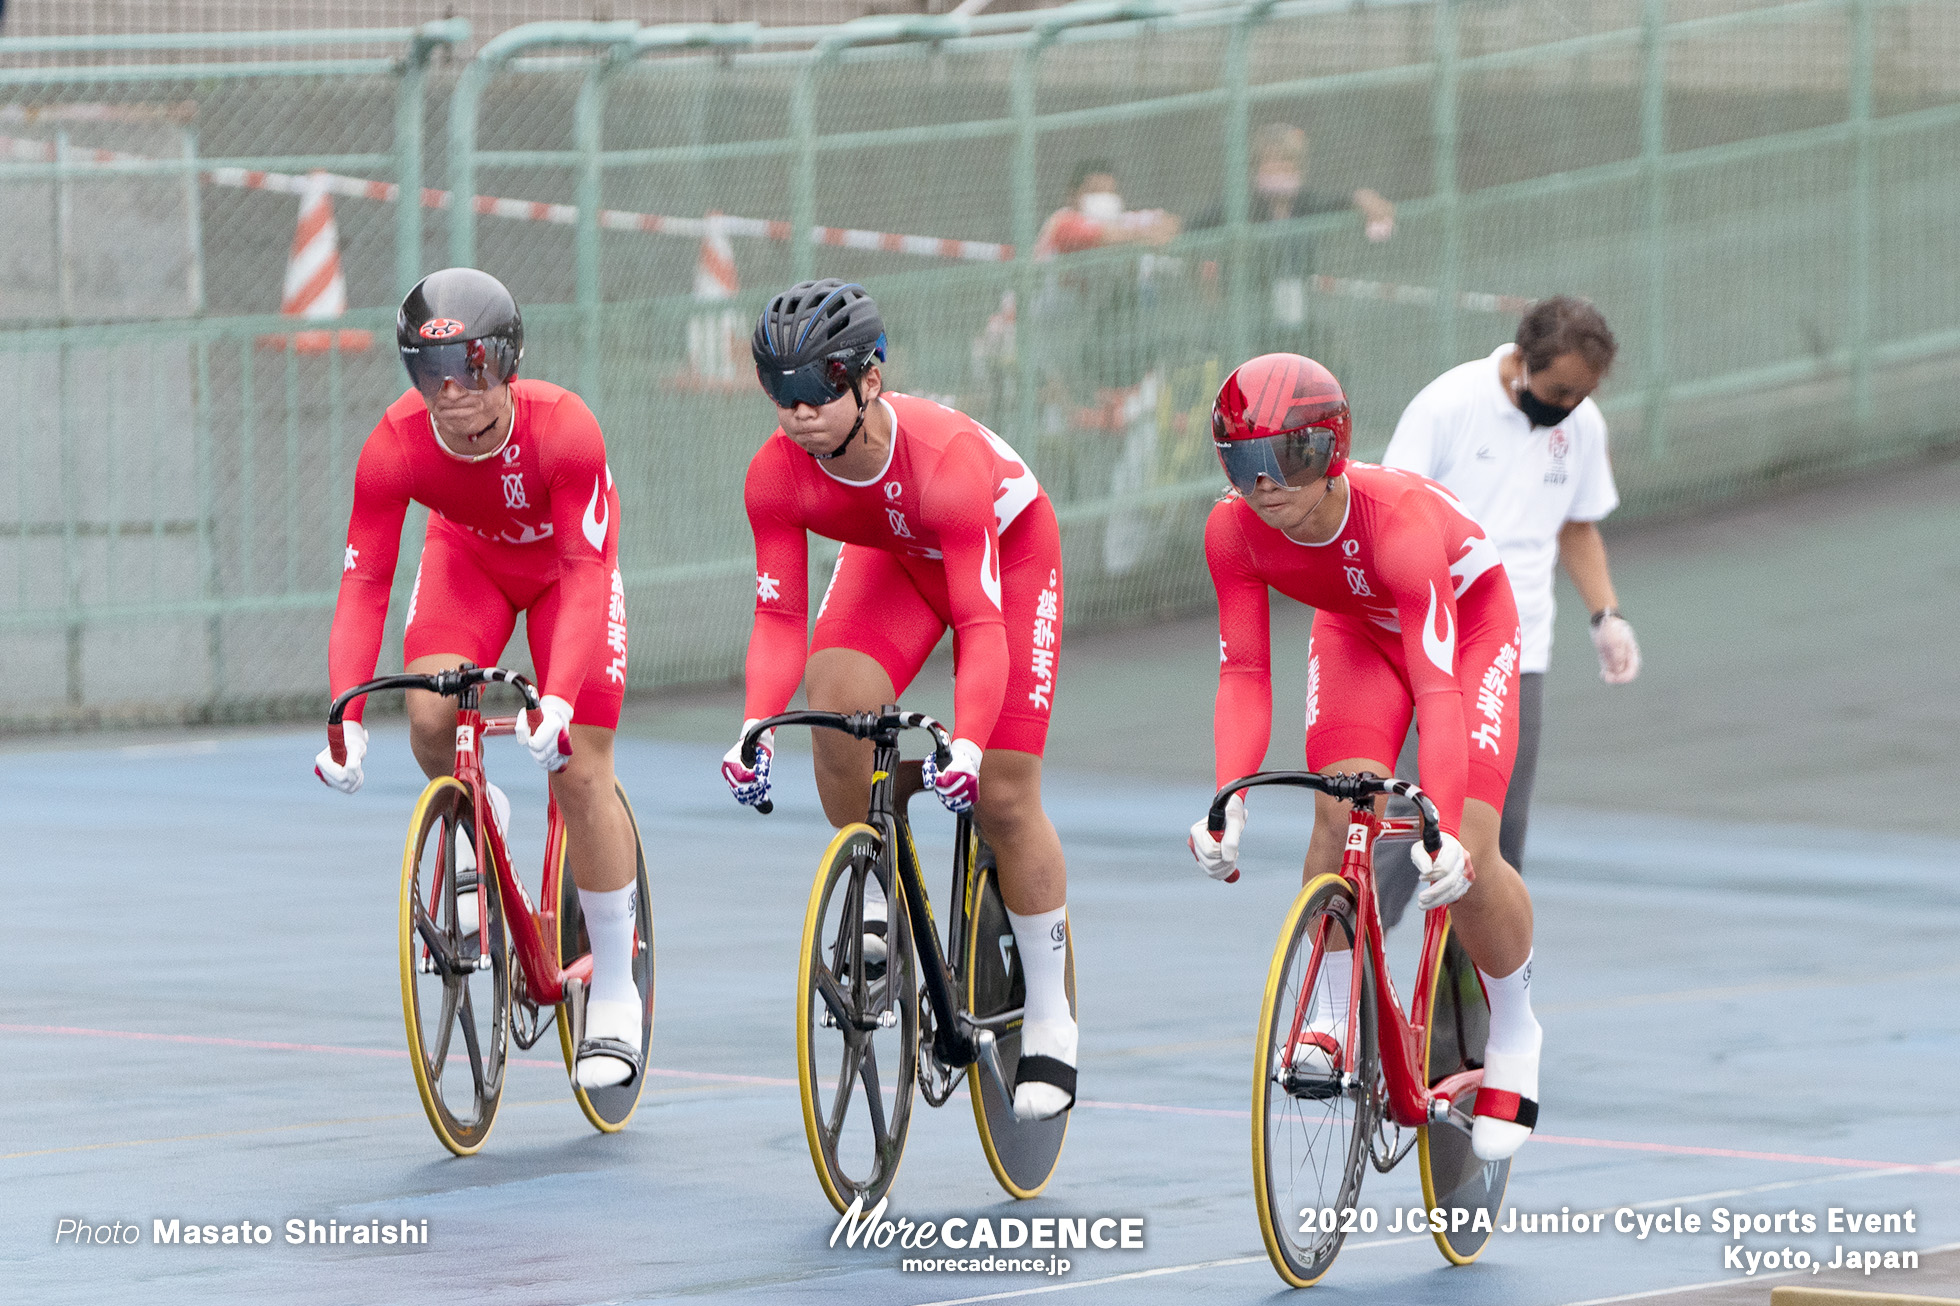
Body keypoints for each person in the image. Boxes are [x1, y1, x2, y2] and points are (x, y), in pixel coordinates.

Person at [720, 279, 1076, 1123]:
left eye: (815, 391)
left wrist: (970, 745)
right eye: (780, 393)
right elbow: (778, 616)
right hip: (894, 558)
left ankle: (1054, 1018)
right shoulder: (774, 473)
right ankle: (878, 889)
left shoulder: (947, 461)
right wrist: (752, 726)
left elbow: (983, 628)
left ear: (868, 381)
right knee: (833, 708)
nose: (797, 414)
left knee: (1004, 791)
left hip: (1005, 565)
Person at [1186, 353, 1541, 1162]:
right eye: (1245, 463)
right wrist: (1226, 798)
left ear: (1331, 452)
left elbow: (1440, 694)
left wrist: (1444, 829)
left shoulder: (1401, 525)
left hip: (1465, 632)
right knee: (1338, 808)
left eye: (1289, 458)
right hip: (1354, 627)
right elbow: (1242, 671)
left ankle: (1517, 1032)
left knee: (1473, 852)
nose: (1266, 484)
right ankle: (1333, 1016)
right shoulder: (1232, 530)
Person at [313, 267, 645, 1092]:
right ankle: (477, 805)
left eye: (472, 367)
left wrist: (559, 694)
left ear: (508, 362)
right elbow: (364, 585)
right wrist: (343, 713)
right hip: (469, 562)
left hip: (570, 576)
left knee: (580, 767)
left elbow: (586, 570)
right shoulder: (395, 445)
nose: (452, 391)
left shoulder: (564, 429)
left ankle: (615, 984)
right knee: (430, 719)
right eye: (430, 373)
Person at [1383, 296, 1639, 875]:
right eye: (1560, 393)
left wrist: (1607, 616)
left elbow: (1577, 526)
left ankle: (1478, 966)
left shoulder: (1582, 426)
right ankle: (1365, 962)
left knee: (1497, 837)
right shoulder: (1448, 405)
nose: (1570, 407)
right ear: (1522, 361)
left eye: (1584, 395)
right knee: (1408, 820)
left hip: (1519, 647)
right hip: (1430, 636)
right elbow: (1393, 515)